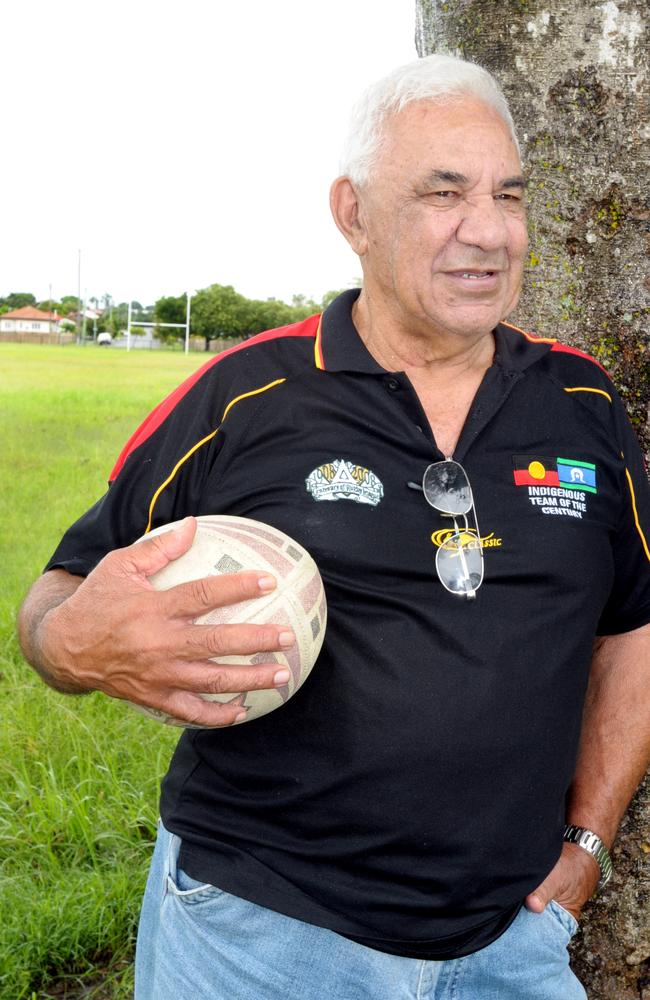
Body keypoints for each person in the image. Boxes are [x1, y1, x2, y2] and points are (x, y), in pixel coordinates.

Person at [18, 54, 650, 1000]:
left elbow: (634, 626)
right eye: (444, 193)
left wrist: (588, 844)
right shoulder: (248, 394)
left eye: (507, 195)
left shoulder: (582, 400)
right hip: (258, 937)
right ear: (353, 214)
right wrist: (76, 643)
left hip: (509, 941)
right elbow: (56, 598)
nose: (487, 231)